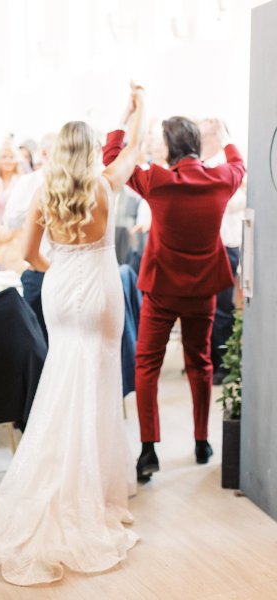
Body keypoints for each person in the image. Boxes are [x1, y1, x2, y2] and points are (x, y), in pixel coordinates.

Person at [0, 84, 145, 586]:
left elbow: (29, 255)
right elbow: (131, 149)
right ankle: (95, 492)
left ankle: (56, 475)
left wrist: (63, 269)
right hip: (99, 292)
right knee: (96, 383)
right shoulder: (105, 188)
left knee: (63, 375)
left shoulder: (47, 192)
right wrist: (137, 108)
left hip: (61, 288)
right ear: (89, 152)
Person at [103, 111, 245, 481]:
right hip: (202, 292)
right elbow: (238, 163)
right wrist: (226, 135)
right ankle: (202, 441)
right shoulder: (221, 180)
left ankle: (149, 448)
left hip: (162, 291)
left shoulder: (157, 181)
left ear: (171, 148)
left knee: (147, 364)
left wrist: (125, 118)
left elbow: (111, 160)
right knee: (200, 364)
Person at [200, 118, 246, 384]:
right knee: (207, 306)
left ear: (219, 136)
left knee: (222, 308)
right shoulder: (202, 164)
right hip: (206, 247)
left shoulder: (225, 163)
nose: (204, 139)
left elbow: (236, 200)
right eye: (202, 134)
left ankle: (223, 365)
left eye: (209, 134)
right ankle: (210, 360)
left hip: (226, 245)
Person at [4, 132, 57, 339]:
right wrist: (37, 206)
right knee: (37, 340)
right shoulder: (29, 183)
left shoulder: (76, 184)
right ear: (44, 154)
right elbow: (10, 221)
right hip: (38, 272)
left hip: (65, 275)